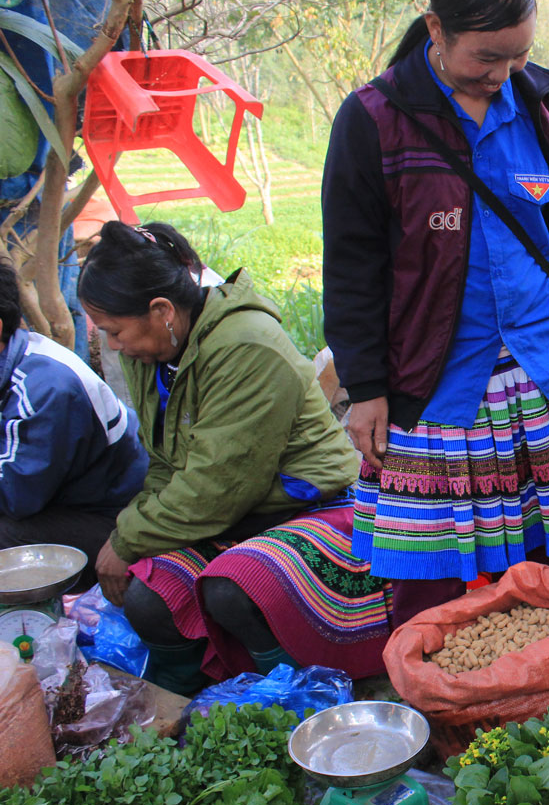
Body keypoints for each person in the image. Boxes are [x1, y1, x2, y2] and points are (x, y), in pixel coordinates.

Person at [321, 0, 549, 625]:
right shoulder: (373, 121)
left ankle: (543, 682)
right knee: (425, 571)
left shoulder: (547, 107)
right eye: (486, 57)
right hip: (438, 377)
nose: (503, 73)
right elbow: (351, 266)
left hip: (545, 366)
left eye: (516, 55)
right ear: (436, 29)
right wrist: (366, 387)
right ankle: (433, 694)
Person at [80, 221, 392, 696]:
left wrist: (126, 539)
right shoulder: (154, 354)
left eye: (116, 332)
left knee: (237, 586)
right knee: (148, 595)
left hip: (317, 506)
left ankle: (300, 696)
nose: (115, 346)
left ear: (161, 310)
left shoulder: (247, 343)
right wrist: (132, 540)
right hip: (239, 513)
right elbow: (165, 465)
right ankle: (195, 698)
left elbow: (214, 489)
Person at [0, 253, 146, 588]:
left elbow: (15, 496)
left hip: (117, 523)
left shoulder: (44, 386)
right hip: (64, 505)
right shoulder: (16, 364)